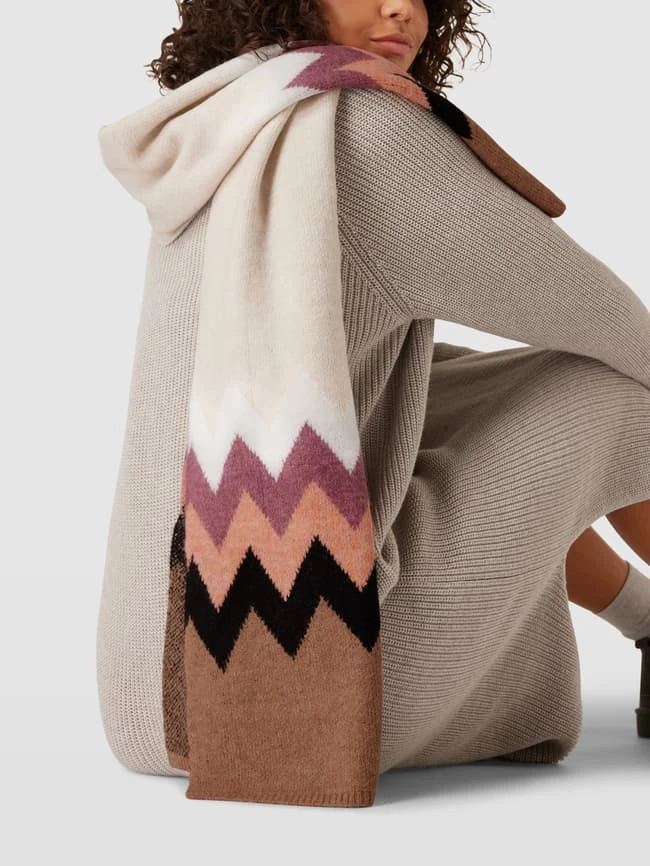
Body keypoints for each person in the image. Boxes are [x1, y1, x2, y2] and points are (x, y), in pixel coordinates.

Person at [97, 0, 650, 780]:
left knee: (437, 399)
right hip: (312, 692)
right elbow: (604, 318)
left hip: (148, 700)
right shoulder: (363, 129)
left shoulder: (225, 126)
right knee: (623, 391)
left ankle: (645, 619)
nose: (401, 8)